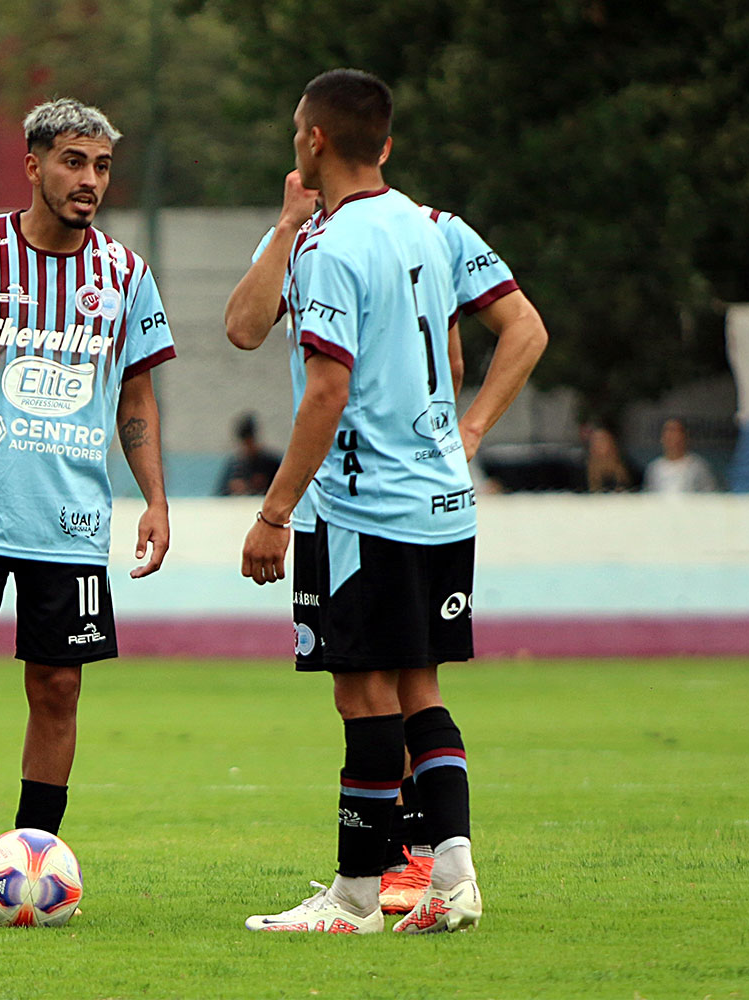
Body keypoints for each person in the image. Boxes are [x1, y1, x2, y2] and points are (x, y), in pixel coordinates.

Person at [235, 69, 546, 935]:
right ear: (388, 145)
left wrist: (273, 512)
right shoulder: (434, 227)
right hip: (444, 502)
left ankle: (355, 899)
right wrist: (470, 430)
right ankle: (452, 884)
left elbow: (326, 391)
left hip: (364, 507)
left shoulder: (334, 249)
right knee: (419, 688)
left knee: (362, 695)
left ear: (313, 141)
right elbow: (526, 328)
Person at [0, 98, 175, 917]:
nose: (89, 180)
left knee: (57, 691)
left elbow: (137, 393)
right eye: (74, 162)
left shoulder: (125, 274)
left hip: (74, 523)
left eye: (102, 166)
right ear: (33, 165)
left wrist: (155, 497)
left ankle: (31, 872)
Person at [644, 417, 717, 493]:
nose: (672, 436)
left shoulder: (698, 466)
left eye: (676, 431)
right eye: (668, 432)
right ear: (662, 438)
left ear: (685, 436)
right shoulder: (654, 468)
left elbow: (709, 495)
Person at [217, 412, 283, 495]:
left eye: (249, 442)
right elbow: (219, 494)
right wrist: (232, 488)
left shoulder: (270, 463)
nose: (247, 447)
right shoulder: (234, 465)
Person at [583, 424, 638, 492]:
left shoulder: (630, 469)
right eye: (595, 441)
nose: (598, 445)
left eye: (602, 440)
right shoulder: (581, 472)